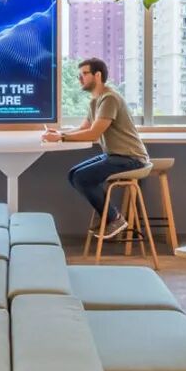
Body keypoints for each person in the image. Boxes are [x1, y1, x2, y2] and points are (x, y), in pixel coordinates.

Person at [42, 57, 150, 239]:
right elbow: (84, 128)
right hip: (115, 155)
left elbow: (93, 134)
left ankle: (113, 218)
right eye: (79, 75)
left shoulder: (110, 99)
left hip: (131, 158)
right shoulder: (95, 101)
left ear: (97, 75)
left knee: (81, 178)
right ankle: (109, 216)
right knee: (73, 175)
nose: (80, 79)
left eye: (84, 74)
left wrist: (61, 137)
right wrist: (59, 133)